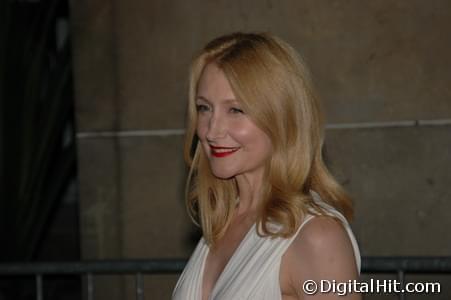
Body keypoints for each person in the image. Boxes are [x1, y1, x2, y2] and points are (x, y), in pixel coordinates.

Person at [172, 32, 361, 300]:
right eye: (204, 108)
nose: (212, 131)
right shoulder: (222, 224)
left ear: (281, 117)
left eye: (235, 110)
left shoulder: (318, 237)